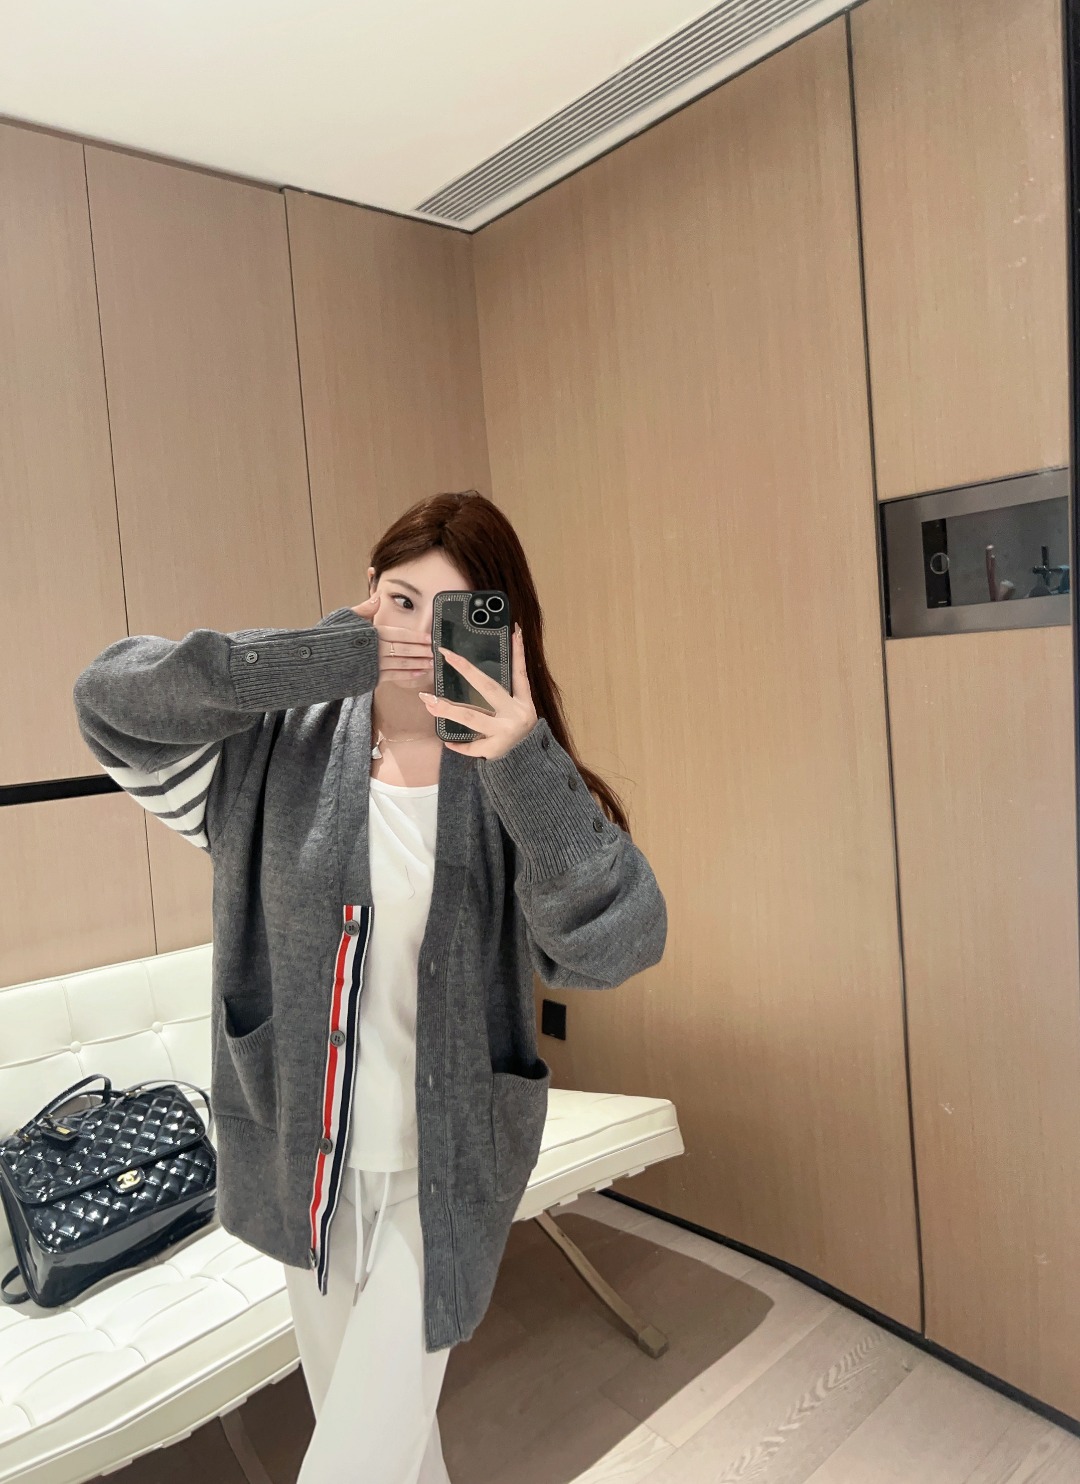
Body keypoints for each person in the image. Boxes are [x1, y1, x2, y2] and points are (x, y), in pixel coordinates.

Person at [72, 489, 667, 1484]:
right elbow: (108, 701)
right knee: (388, 1446)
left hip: (446, 1166)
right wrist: (316, 657)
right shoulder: (273, 750)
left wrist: (523, 757)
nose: (416, 639)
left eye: (450, 614)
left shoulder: (512, 776)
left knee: (352, 1461)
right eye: (399, 602)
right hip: (305, 1161)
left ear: (501, 627)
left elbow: (621, 943)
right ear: (365, 596)